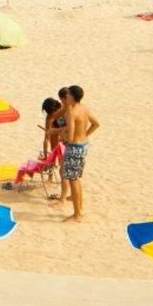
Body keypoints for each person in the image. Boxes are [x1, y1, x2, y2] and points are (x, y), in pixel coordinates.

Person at [60, 85, 99, 222]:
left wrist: (63, 135)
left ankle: (77, 215)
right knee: (76, 179)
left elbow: (70, 138)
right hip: (83, 145)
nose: (66, 96)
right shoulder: (85, 108)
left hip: (74, 147)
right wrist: (85, 134)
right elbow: (96, 124)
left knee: (73, 180)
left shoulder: (72, 112)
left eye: (68, 94)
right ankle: (79, 210)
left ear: (72, 96)